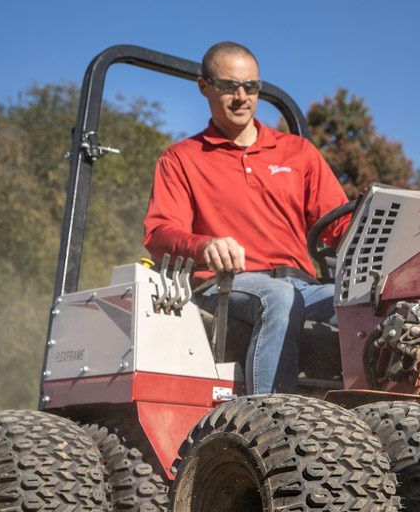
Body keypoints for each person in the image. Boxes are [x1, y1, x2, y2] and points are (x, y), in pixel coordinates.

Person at [143, 41, 351, 394]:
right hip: (225, 284)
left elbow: (340, 226)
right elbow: (159, 232)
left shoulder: (298, 152)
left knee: (363, 301)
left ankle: (379, 423)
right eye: (228, 86)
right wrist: (204, 245)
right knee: (278, 298)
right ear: (204, 87)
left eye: (250, 87)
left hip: (302, 284)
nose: (241, 97)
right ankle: (271, 422)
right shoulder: (182, 158)